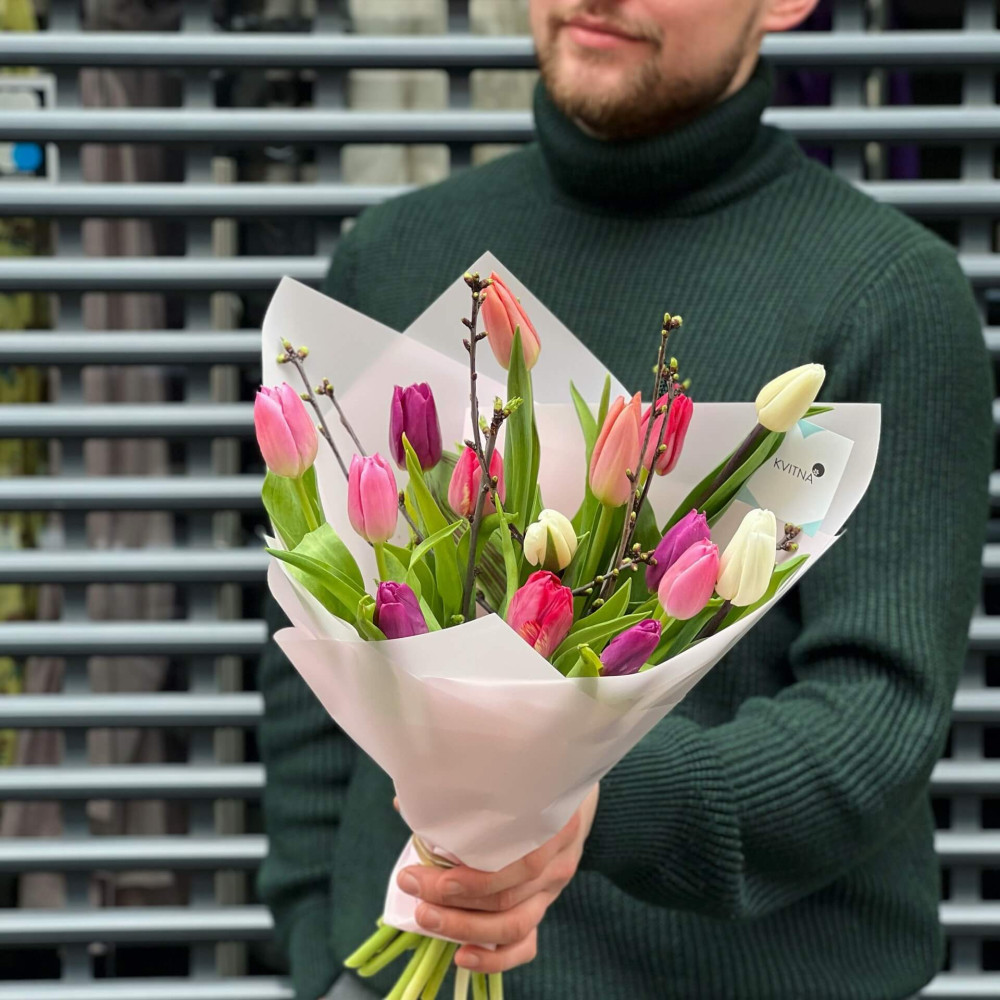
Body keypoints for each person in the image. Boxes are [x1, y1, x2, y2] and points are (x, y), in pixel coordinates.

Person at [257, 2, 994, 997]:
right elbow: (312, 654)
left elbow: (874, 721)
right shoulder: (396, 252)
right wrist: (321, 942)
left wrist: (593, 796)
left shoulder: (886, 294)